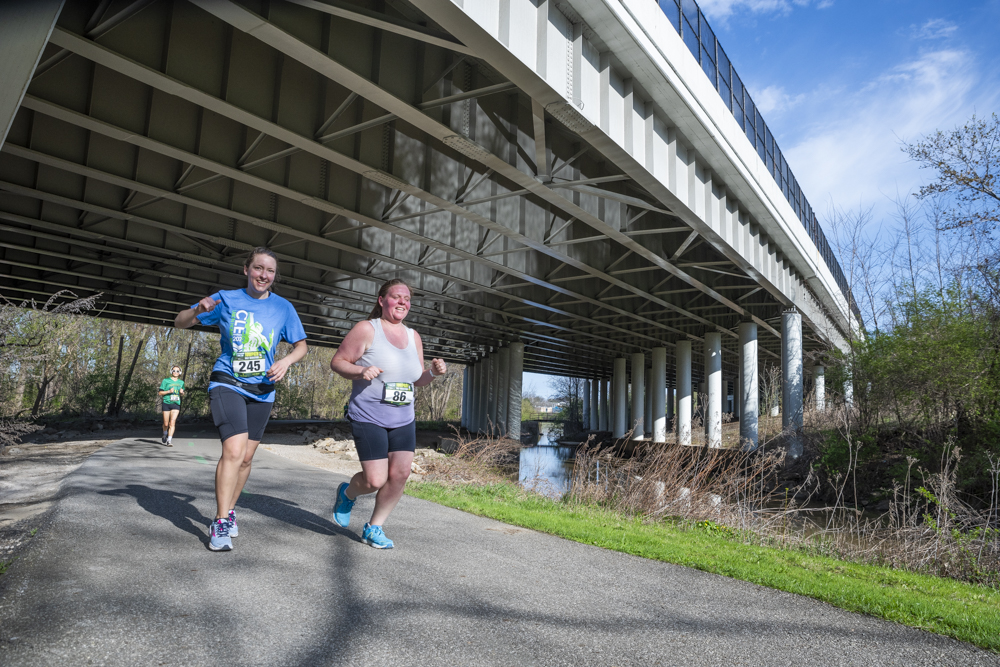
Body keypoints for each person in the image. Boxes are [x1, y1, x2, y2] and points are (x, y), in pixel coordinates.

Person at [174, 247, 307, 552]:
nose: (263, 275)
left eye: (270, 271)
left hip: (263, 389)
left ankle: (230, 510)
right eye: (258, 268)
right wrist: (197, 310)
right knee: (233, 451)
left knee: (246, 458)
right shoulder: (226, 299)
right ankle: (220, 521)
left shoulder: (283, 307)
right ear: (246, 269)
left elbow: (301, 346)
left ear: (275, 276)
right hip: (227, 382)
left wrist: (286, 362)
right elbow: (180, 322)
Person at [330, 278, 446, 549]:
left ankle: (374, 527)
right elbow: (337, 362)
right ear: (382, 300)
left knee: (401, 474)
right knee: (374, 480)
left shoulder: (413, 336)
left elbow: (415, 379)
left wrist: (433, 373)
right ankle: (347, 494)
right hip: (368, 416)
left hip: (403, 418)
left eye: (407, 299)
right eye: (396, 297)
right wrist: (360, 371)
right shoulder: (366, 329)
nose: (402, 302)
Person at [158, 365, 185, 446]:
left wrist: (182, 393)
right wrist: (168, 391)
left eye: (177, 371)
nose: (175, 372)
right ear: (171, 371)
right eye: (174, 370)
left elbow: (182, 393)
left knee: (172, 423)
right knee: (166, 424)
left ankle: (169, 440)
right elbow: (160, 393)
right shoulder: (166, 381)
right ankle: (164, 433)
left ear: (180, 373)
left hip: (176, 404)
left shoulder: (181, 382)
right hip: (166, 403)